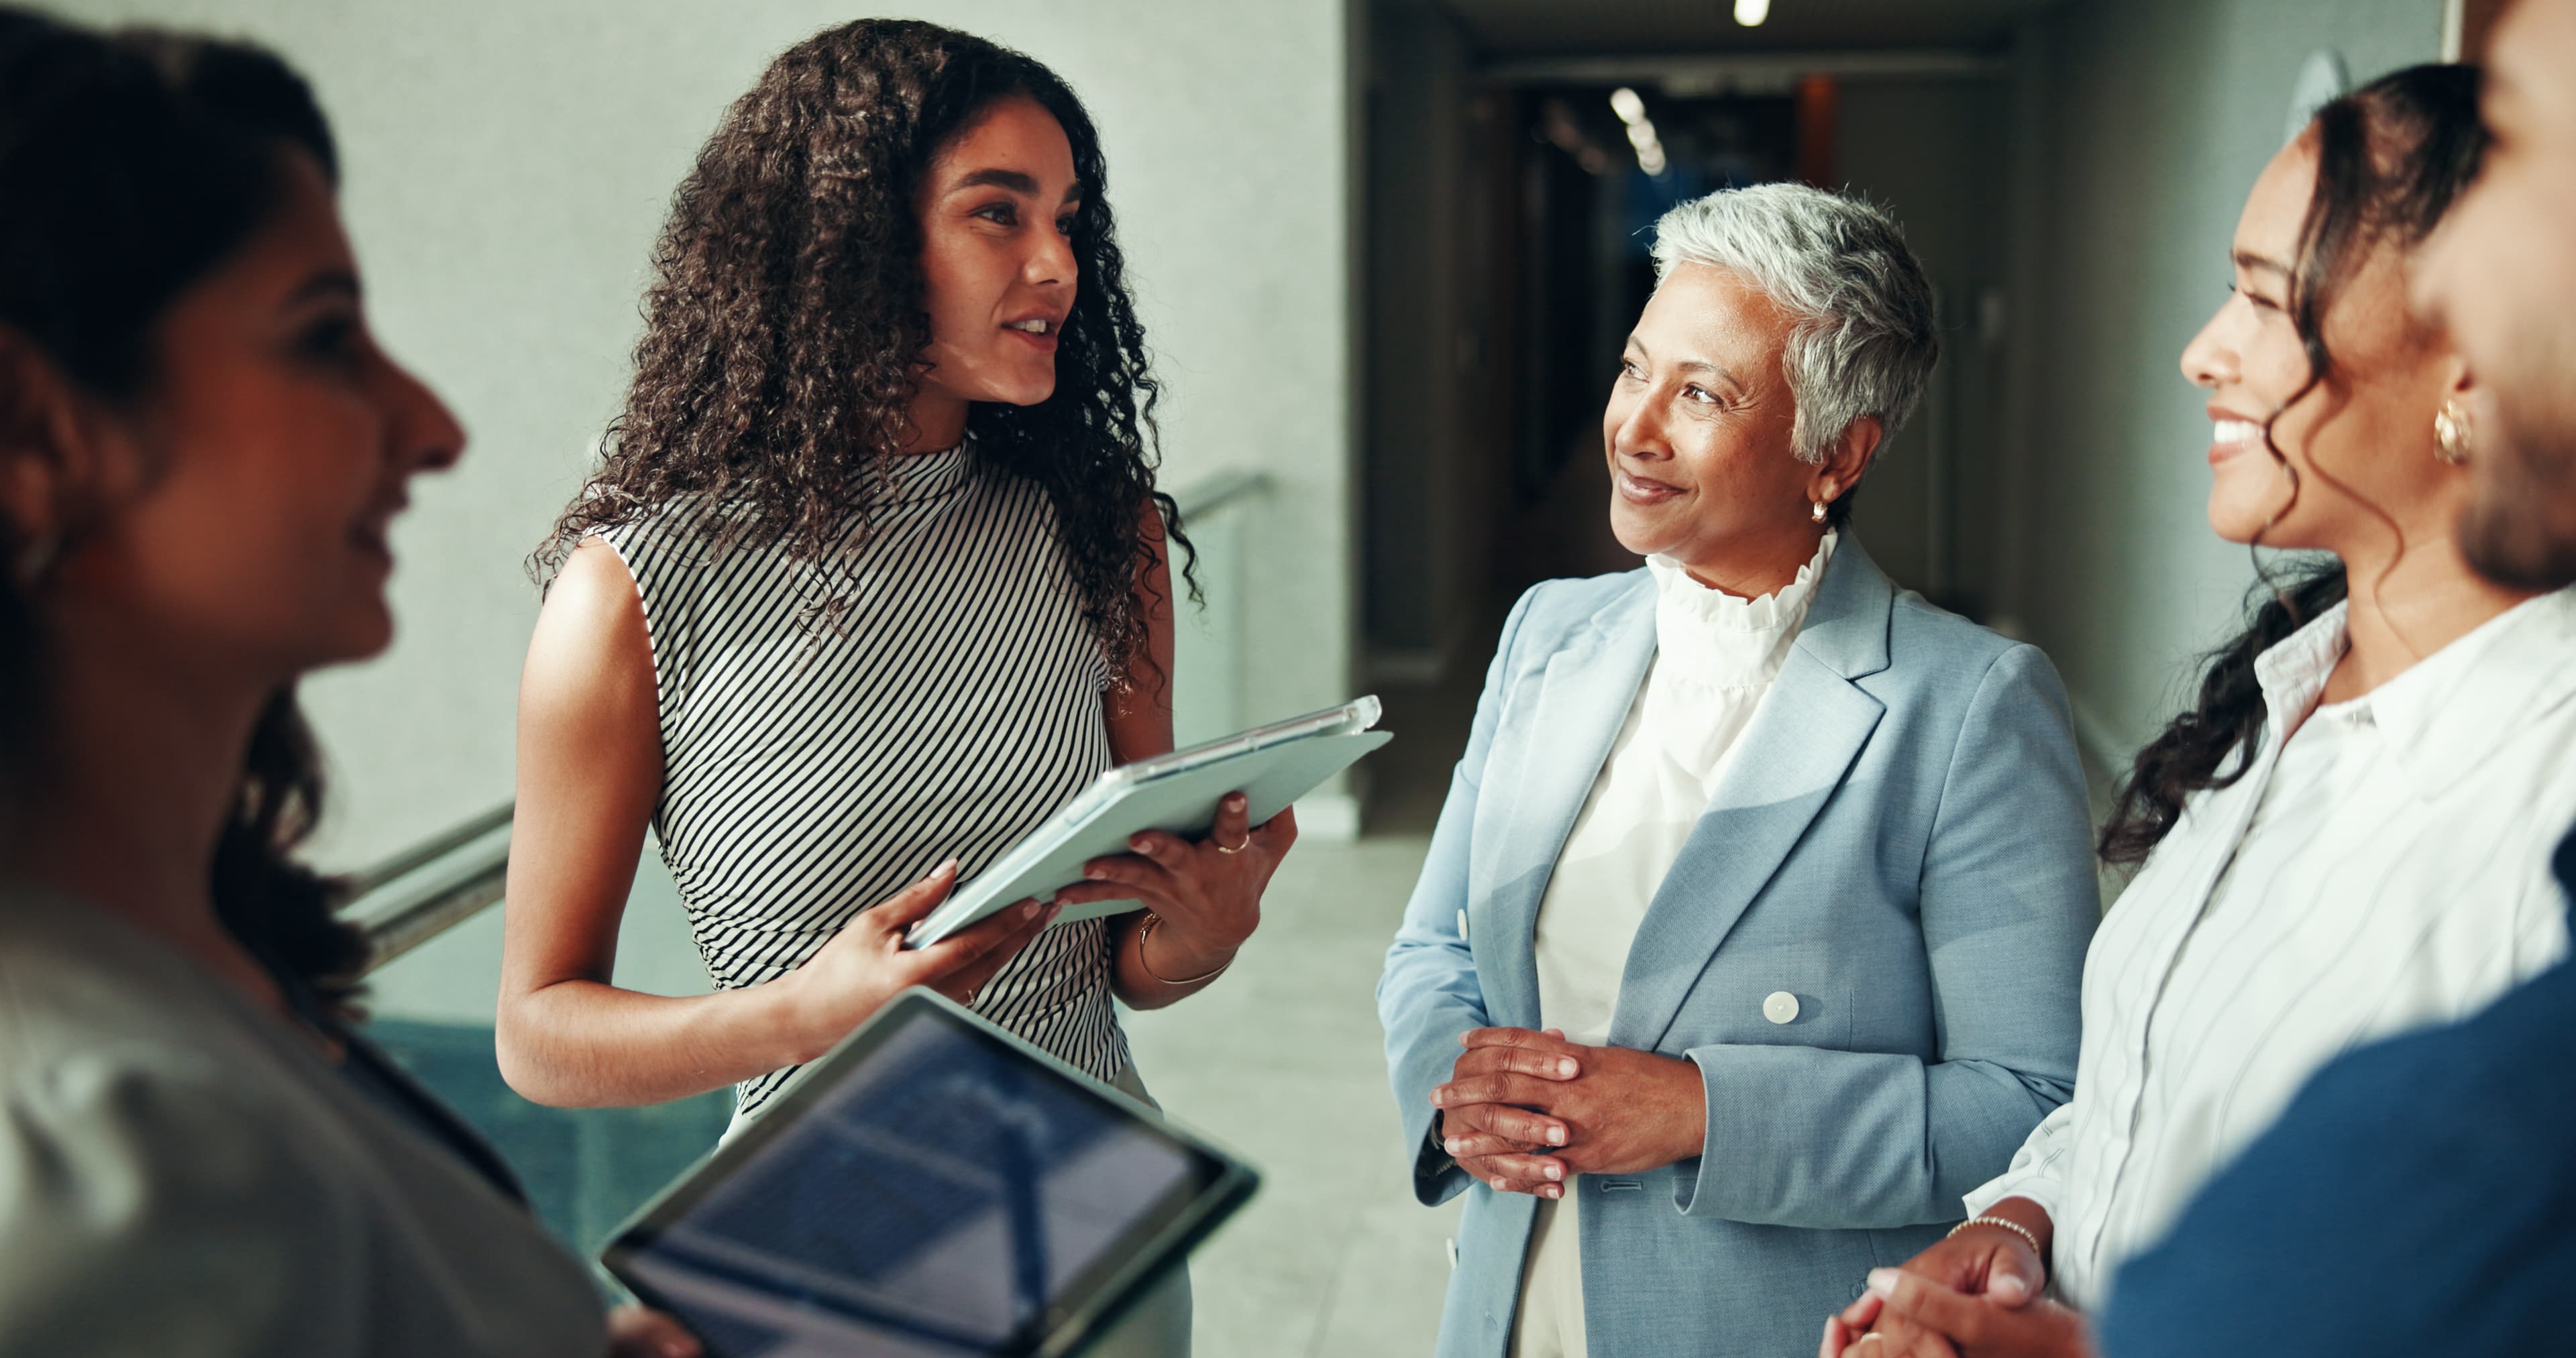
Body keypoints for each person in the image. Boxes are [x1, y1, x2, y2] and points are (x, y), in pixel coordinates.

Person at [496, 21, 1281, 1354]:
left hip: (1102, 1215)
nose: (1058, 267)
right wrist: (806, 1014)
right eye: (998, 214)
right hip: (827, 1251)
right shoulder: (638, 593)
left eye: (1069, 221)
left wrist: (1203, 927)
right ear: (849, 244)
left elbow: (1126, 964)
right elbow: (538, 1031)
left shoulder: (1105, 534)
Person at [1825, 62, 2576, 1358]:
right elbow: (2141, 1096)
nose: (2201, 350)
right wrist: (2017, 1222)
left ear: (2475, 362)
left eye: (2267, 300)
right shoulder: (2286, 689)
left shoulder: (2539, 801)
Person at [0, 13, 690, 1354]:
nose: (432, 427)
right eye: (324, 339)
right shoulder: (107, 1165)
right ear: (36, 432)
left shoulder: (199, 960)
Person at [1375, 181, 2100, 1358]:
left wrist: (1699, 1111)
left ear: (1837, 452)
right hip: (1510, 1306)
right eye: (1634, 367)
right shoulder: (1550, 633)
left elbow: (2032, 1099)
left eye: (1702, 393)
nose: (1635, 426)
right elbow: (1434, 949)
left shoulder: (1967, 705)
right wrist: (1456, 1101)